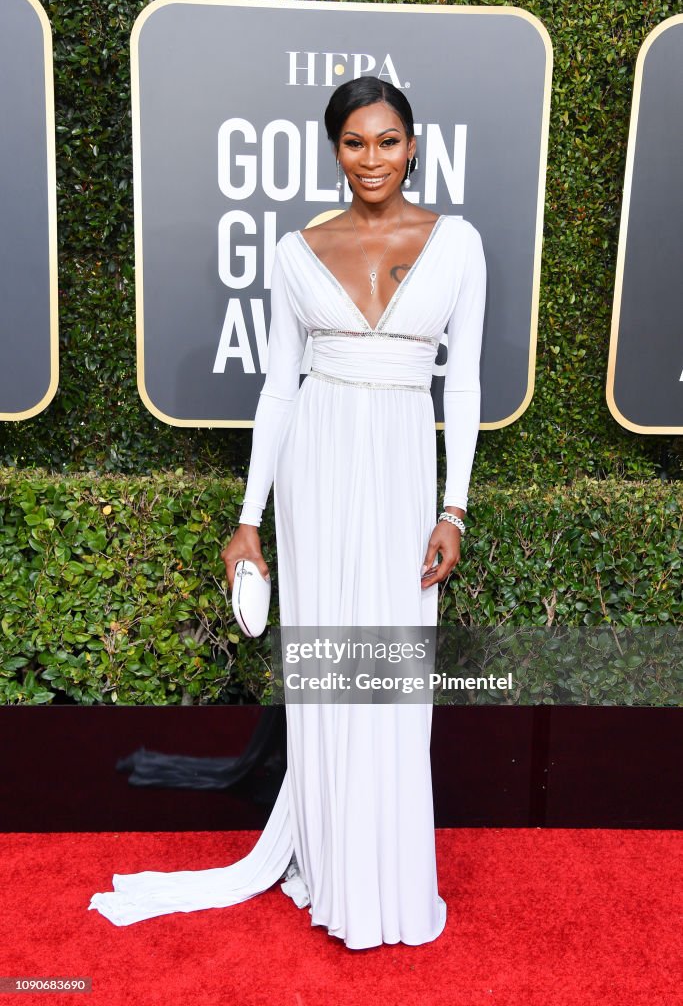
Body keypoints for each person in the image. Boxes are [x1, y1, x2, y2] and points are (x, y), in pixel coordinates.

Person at [88, 76, 486, 950]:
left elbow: (463, 385)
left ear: (413, 146)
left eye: (387, 141)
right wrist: (248, 520)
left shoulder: (456, 244)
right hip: (317, 463)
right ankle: (337, 867)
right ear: (334, 149)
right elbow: (277, 389)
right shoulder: (296, 248)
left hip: (401, 471)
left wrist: (451, 509)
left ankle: (384, 877)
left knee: (388, 682)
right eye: (354, 142)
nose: (371, 158)